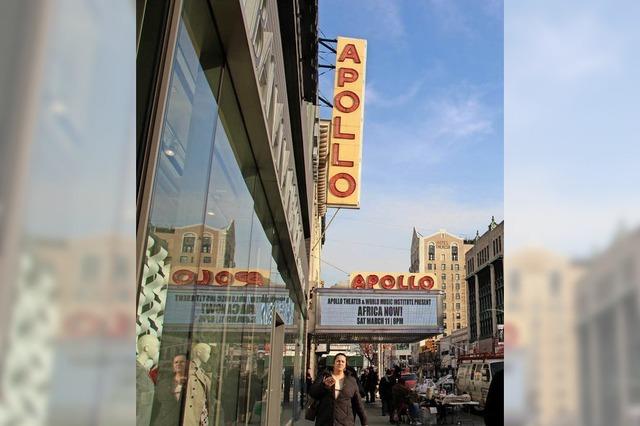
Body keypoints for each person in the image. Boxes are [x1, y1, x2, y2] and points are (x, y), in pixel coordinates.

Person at [309, 353, 368, 426]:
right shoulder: (324, 376)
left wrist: (364, 422)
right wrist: (323, 386)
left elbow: (358, 403)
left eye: (343, 361)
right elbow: (313, 393)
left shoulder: (351, 381)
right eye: (338, 361)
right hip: (325, 420)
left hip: (345, 421)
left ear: (345, 365)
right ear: (334, 363)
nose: (340, 363)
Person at [151, 354, 187, 426]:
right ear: (173, 366)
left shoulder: (192, 384)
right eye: (176, 362)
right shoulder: (163, 383)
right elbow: (155, 406)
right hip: (163, 422)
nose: (178, 364)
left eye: (182, 362)